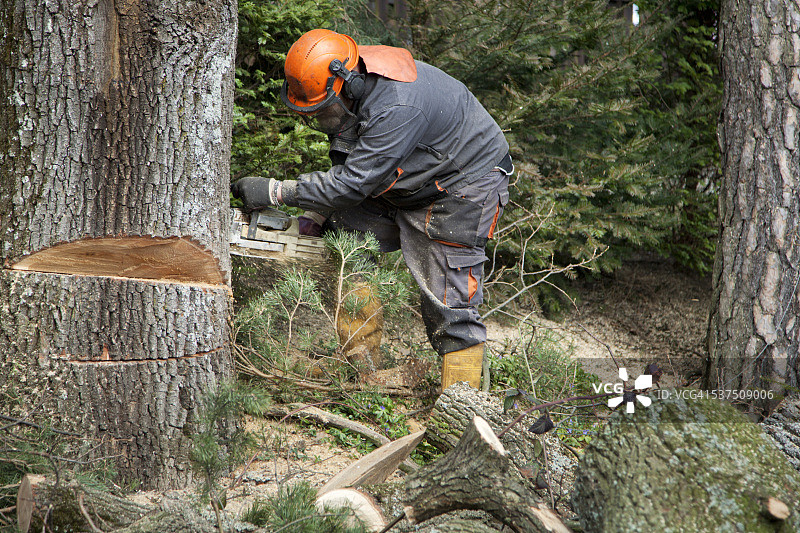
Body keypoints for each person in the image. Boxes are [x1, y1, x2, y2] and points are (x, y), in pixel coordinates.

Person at [231, 29, 512, 390]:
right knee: (350, 240)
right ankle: (361, 370)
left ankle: (461, 405)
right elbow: (349, 161)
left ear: (349, 86)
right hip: (410, 174)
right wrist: (319, 212)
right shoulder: (345, 76)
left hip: (463, 185)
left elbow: (353, 182)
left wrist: (277, 191)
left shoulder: (397, 107)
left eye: (321, 109)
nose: (316, 119)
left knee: (450, 299)